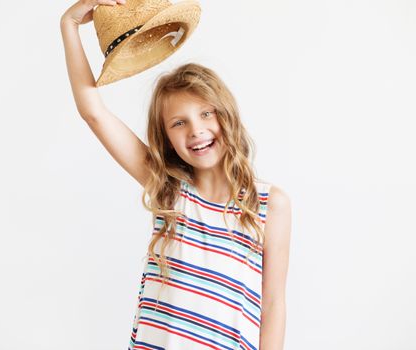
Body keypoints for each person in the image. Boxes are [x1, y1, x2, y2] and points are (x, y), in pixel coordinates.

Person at [60, 1, 292, 349]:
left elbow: (273, 304)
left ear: (226, 115)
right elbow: (93, 112)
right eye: (179, 123)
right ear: (166, 138)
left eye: (206, 114)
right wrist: (69, 25)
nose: (196, 130)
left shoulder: (269, 205)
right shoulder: (170, 188)